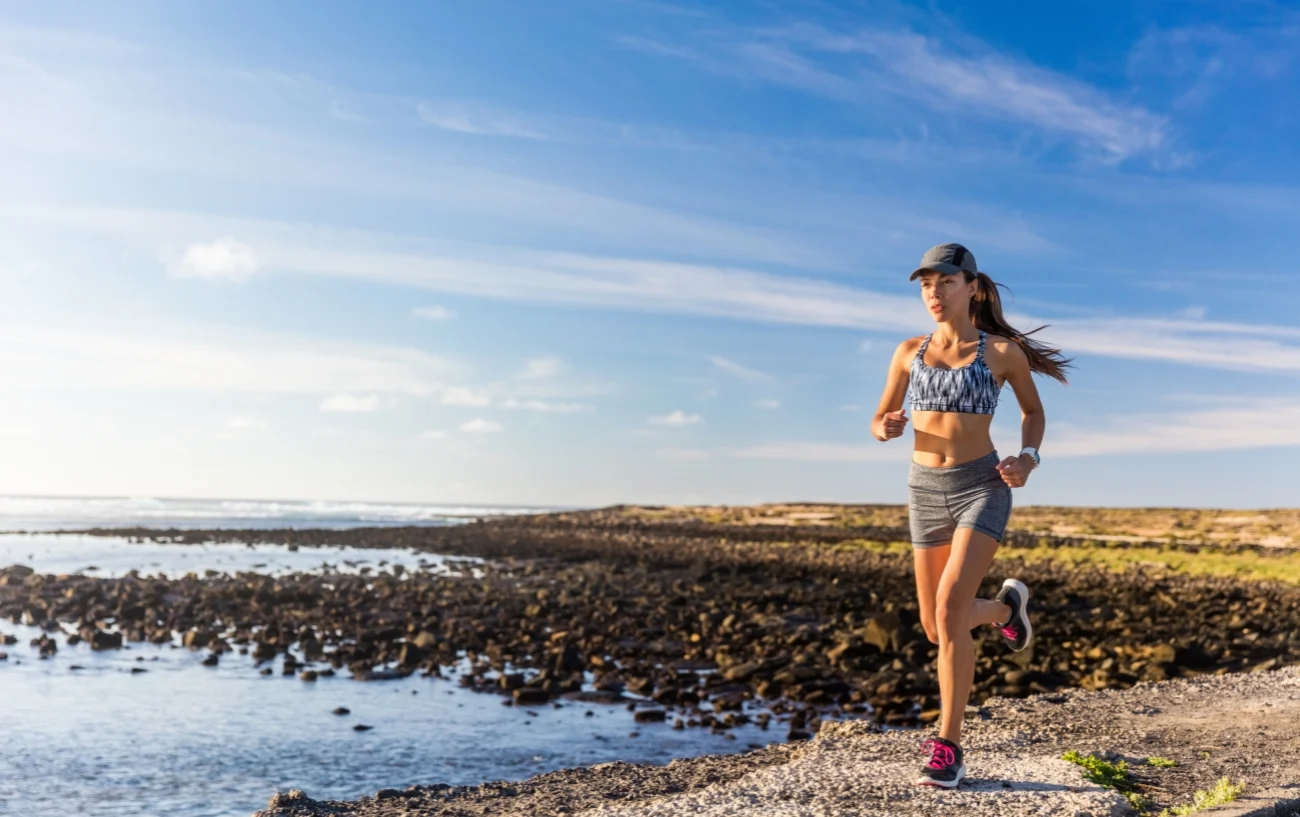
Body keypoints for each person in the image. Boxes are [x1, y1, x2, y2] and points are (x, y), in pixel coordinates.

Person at [870, 243, 1071, 788]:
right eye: (925, 285)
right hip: (924, 490)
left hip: (981, 485)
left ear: (973, 288)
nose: (933, 293)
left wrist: (1028, 458)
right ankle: (1007, 612)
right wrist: (884, 427)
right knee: (937, 628)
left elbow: (1034, 412)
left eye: (946, 283)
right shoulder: (908, 351)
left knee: (952, 606)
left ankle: (948, 744)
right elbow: (880, 416)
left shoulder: (1001, 352)